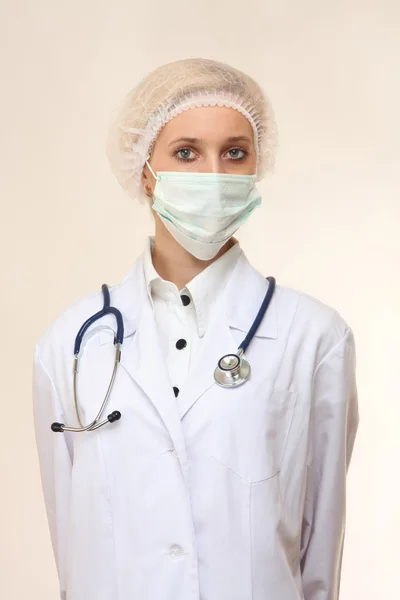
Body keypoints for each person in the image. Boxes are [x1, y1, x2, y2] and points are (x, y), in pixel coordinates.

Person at [32, 57, 359, 600]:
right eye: (186, 152)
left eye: (235, 153)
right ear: (144, 170)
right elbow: (69, 540)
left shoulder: (315, 338)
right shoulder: (69, 344)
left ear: (257, 165)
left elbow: (321, 545)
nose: (212, 175)